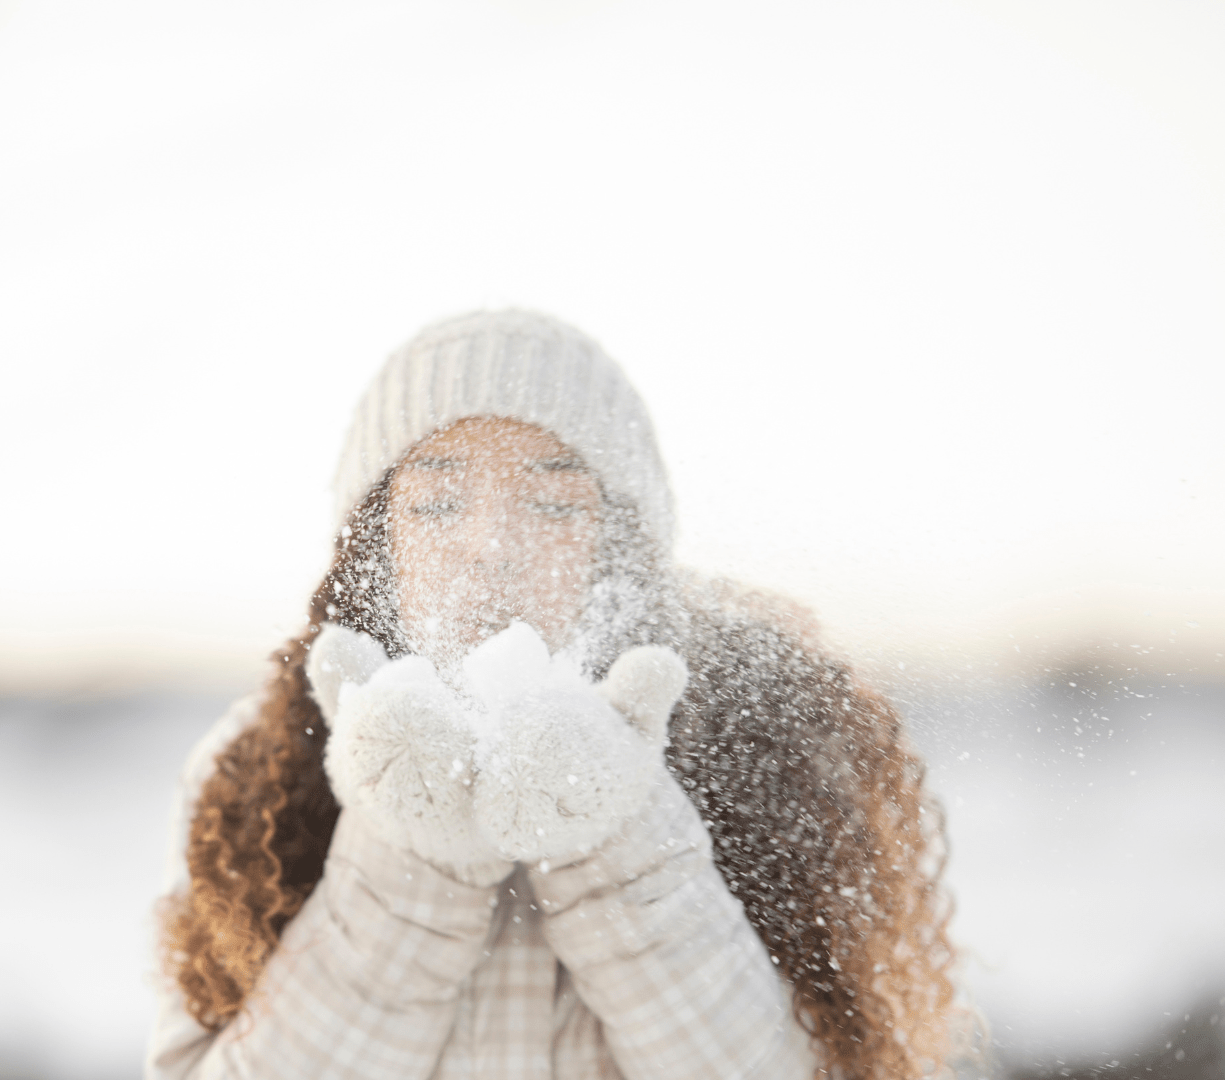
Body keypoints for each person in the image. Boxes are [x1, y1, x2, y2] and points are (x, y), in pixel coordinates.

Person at [148, 310, 960, 1079]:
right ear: (372, 545)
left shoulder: (761, 751)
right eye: (437, 505)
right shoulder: (251, 771)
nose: (492, 549)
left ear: (622, 551)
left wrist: (615, 830)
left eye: (552, 505)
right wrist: (408, 853)